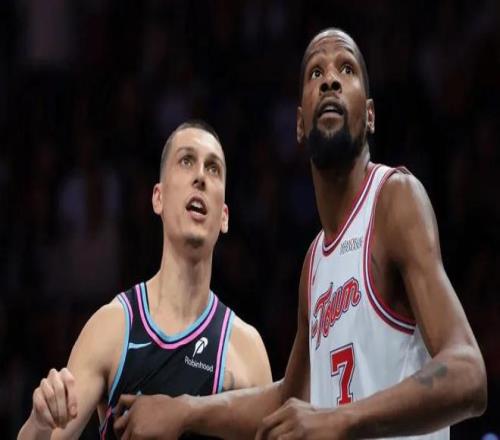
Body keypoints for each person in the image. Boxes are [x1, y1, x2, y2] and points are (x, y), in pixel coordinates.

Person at [114, 28, 487, 440]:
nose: (330, 80)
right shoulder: (314, 263)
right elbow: (286, 401)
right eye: (316, 73)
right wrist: (184, 410)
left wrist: (340, 418)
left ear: (370, 115)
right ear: (299, 124)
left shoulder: (394, 200)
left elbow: (469, 373)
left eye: (346, 69)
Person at [17, 121, 273, 439]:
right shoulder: (112, 328)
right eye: (186, 161)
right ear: (158, 198)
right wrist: (40, 423)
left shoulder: (247, 351)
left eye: (213, 168)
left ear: (224, 216)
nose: (200, 177)